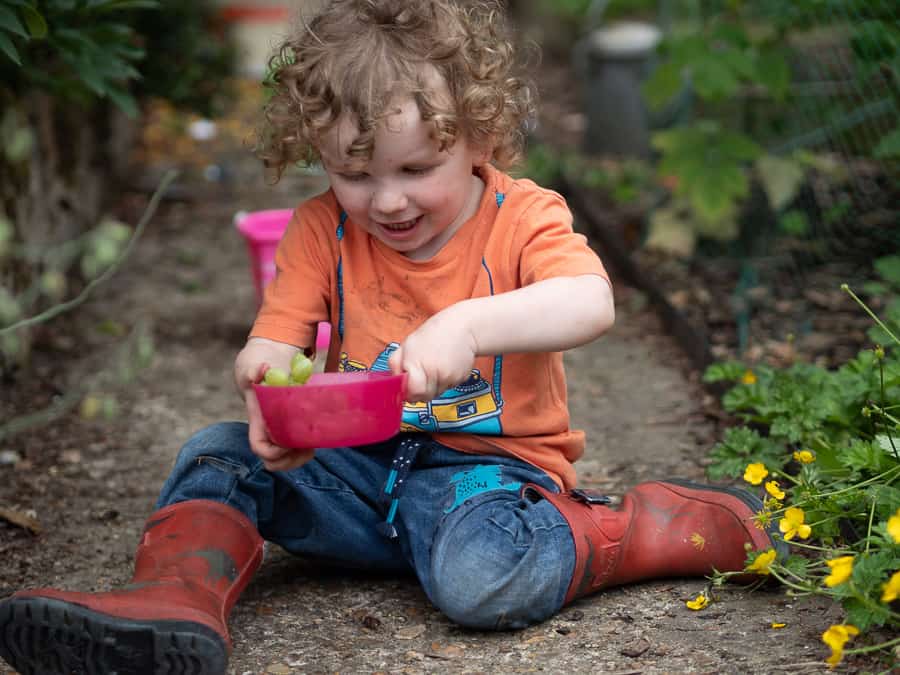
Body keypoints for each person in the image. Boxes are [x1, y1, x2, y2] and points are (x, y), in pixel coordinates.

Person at [0, 1, 782, 673]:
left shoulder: (522, 217)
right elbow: (274, 340)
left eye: (417, 167)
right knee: (216, 452)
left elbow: (590, 302)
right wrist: (268, 392)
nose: (388, 200)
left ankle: (628, 529)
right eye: (355, 172)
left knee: (481, 580)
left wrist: (467, 324)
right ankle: (171, 600)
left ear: (478, 134)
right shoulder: (321, 230)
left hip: (486, 480)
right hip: (356, 470)